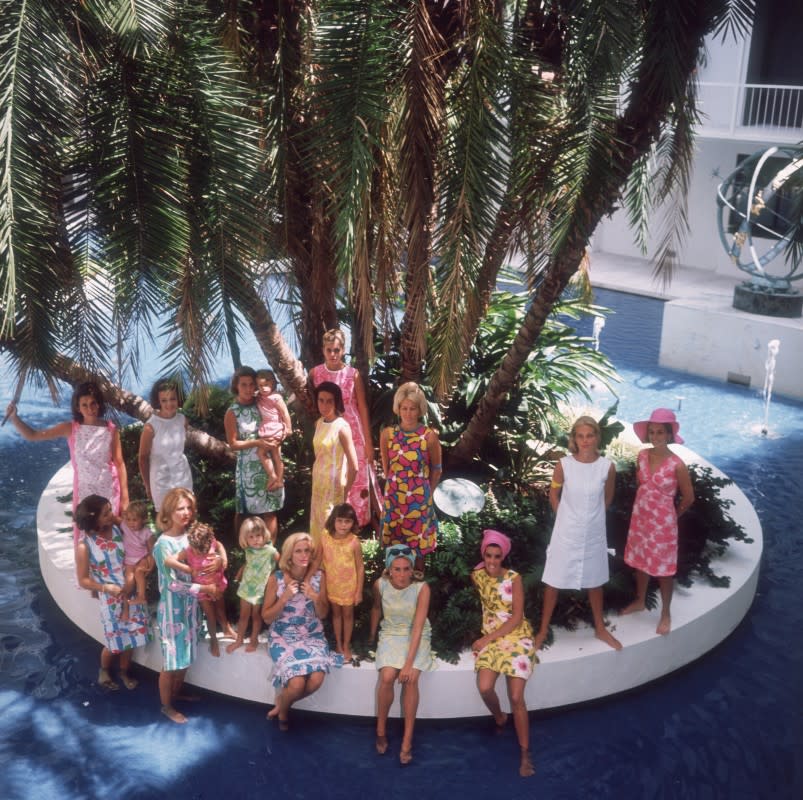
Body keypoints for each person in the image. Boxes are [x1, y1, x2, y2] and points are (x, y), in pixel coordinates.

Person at [534, 416, 622, 651]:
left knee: (595, 583)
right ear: (574, 438)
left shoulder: (607, 467)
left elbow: (608, 497)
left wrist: (593, 518)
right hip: (566, 532)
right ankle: (543, 629)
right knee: (553, 581)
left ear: (597, 438)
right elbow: (553, 494)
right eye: (580, 436)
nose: (585, 441)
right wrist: (563, 517)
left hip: (593, 533)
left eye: (590, 436)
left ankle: (600, 629)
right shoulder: (564, 464)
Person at [7, 381, 128, 544]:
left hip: (109, 491)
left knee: (112, 537)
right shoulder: (70, 428)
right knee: (86, 541)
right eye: (84, 405)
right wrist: (15, 417)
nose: (90, 408)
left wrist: (125, 498)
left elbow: (119, 463)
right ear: (77, 408)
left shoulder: (111, 429)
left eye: (93, 403)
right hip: (85, 493)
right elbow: (34, 435)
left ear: (99, 404)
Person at [621, 408, 695, 635]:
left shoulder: (677, 464)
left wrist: (672, 516)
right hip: (641, 521)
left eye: (660, 432)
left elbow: (689, 497)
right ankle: (640, 600)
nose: (655, 436)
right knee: (641, 561)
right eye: (652, 432)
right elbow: (642, 485)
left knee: (664, 571)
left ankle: (665, 613)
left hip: (663, 526)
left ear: (669, 434)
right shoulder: (642, 456)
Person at [152, 487, 222, 723]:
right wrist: (204, 589)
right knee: (171, 663)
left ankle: (178, 692)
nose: (185, 513)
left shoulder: (191, 536)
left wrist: (218, 560)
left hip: (191, 611)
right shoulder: (163, 545)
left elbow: (212, 550)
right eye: (180, 508)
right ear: (168, 512)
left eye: (189, 508)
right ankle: (166, 706)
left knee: (185, 658)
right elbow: (172, 585)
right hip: (173, 613)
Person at [471, 529, 537, 777]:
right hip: (493, 639)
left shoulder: (514, 578)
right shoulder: (477, 575)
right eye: (488, 555)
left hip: (516, 635)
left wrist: (485, 639)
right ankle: (500, 717)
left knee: (516, 696)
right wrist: (488, 638)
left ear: (503, 556)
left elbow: (517, 617)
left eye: (497, 556)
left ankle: (524, 753)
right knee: (485, 687)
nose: (491, 561)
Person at [262, 532, 340, 730]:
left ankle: (282, 702)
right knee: (296, 685)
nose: (304, 555)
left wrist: (314, 596)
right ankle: (285, 710)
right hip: (283, 636)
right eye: (298, 551)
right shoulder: (276, 579)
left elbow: (323, 614)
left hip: (312, 635)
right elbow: (267, 617)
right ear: (289, 555)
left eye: (307, 551)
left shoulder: (319, 576)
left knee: (315, 681)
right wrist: (284, 598)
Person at [74, 494, 150, 691]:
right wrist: (106, 588)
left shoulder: (118, 526)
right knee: (114, 639)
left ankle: (125, 671)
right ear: (94, 519)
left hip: (131, 591)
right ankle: (104, 669)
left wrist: (147, 560)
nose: (112, 514)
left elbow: (143, 536)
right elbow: (83, 580)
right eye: (106, 513)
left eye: (110, 510)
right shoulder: (84, 546)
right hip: (110, 597)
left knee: (132, 636)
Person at [370, 543, 434, 765]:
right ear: (389, 569)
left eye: (406, 568)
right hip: (391, 632)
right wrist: (370, 638)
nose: (402, 574)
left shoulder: (422, 588)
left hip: (416, 635)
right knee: (387, 677)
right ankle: (380, 731)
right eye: (397, 569)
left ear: (412, 569)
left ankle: (407, 740)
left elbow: (417, 626)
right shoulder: (380, 585)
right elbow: (377, 609)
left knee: (411, 679)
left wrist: (408, 664)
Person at [309, 328, 375, 527]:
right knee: (334, 475)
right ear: (323, 350)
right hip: (329, 432)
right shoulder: (315, 373)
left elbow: (362, 406)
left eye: (337, 350)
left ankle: (357, 524)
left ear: (343, 350)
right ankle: (332, 523)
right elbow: (315, 405)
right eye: (329, 350)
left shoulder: (353, 374)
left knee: (356, 478)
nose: (333, 354)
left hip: (353, 430)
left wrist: (368, 442)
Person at [380, 382, 442, 573]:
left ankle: (418, 590)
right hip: (394, 499)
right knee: (394, 547)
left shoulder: (428, 436)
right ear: (398, 409)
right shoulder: (388, 434)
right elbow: (386, 467)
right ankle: (394, 593)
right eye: (404, 408)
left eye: (412, 408)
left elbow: (437, 469)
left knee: (418, 549)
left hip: (418, 500)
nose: (408, 413)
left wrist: (427, 494)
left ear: (420, 410)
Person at [224, 366, 284, 543]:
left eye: (252, 384)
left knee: (270, 511)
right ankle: (245, 552)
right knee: (244, 512)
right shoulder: (232, 412)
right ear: (236, 386)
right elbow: (233, 444)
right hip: (248, 470)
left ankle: (269, 553)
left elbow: (278, 420)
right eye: (244, 385)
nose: (249, 388)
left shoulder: (263, 402)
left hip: (269, 465)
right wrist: (257, 442)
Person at [164, 521, 236, 657]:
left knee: (221, 610)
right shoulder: (189, 551)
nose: (201, 553)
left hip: (217, 584)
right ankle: (213, 640)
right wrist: (189, 569)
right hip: (203, 591)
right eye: (198, 551)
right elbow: (168, 561)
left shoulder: (212, 542)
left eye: (204, 550)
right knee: (210, 615)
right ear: (191, 544)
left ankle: (227, 629)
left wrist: (223, 559)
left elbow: (219, 545)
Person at [310, 502, 364, 663]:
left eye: (347, 521)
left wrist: (359, 591)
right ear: (333, 520)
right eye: (339, 521)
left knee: (347, 615)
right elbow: (318, 559)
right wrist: (306, 578)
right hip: (332, 584)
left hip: (349, 586)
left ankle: (346, 645)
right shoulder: (325, 537)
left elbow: (360, 567)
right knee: (336, 614)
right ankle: (338, 644)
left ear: (353, 523)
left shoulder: (354, 542)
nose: (343, 525)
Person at [309, 381, 358, 544]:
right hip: (318, 485)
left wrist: (345, 492)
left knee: (329, 530)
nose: (324, 405)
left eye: (329, 401)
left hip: (333, 488)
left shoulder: (342, 427)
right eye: (321, 400)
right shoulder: (319, 423)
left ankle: (333, 567)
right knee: (316, 527)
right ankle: (318, 568)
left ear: (337, 401)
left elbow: (354, 466)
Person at [138, 378, 192, 513]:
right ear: (158, 401)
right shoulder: (151, 426)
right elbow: (143, 458)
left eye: (172, 399)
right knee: (166, 521)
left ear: (178, 398)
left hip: (183, 476)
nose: (169, 404)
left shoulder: (182, 420)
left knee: (187, 516)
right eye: (164, 400)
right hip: (161, 481)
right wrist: (147, 485)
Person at [227, 516, 279, 654]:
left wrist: (273, 579)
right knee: (243, 615)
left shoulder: (270, 551)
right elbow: (248, 563)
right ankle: (239, 640)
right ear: (245, 538)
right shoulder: (248, 551)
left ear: (264, 535)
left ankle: (254, 639)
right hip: (246, 587)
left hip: (260, 589)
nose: (255, 539)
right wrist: (239, 573)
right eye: (251, 537)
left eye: (258, 536)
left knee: (256, 615)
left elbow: (280, 563)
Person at [255, 369, 292, 491]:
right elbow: (253, 396)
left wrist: (289, 428)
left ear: (272, 384)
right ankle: (279, 481)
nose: (263, 388)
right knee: (276, 456)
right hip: (267, 428)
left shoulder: (276, 397)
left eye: (266, 385)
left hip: (274, 429)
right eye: (260, 386)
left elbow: (285, 413)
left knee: (261, 452)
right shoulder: (259, 397)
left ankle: (273, 477)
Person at [120, 500, 156, 617]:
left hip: (142, 557)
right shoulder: (124, 526)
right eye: (129, 519)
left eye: (135, 520)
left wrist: (151, 562)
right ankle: (125, 604)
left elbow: (152, 549)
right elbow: (115, 518)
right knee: (129, 580)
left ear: (144, 519)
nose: (131, 523)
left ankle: (141, 596)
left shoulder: (147, 532)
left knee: (139, 572)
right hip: (129, 559)